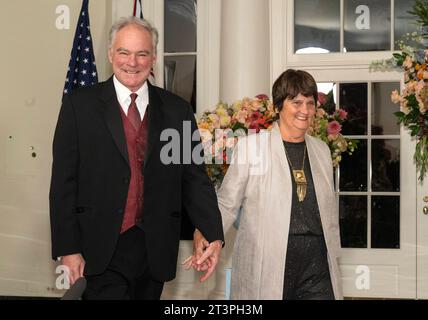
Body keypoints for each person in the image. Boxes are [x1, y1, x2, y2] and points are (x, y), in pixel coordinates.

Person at [49, 17, 224, 300]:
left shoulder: (177, 111)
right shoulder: (79, 106)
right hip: (98, 249)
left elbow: (193, 178)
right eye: (124, 52)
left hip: (154, 250)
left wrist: (213, 232)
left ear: (153, 57)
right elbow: (63, 184)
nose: (133, 62)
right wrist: (68, 249)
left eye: (142, 53)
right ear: (110, 54)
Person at [190, 69, 343, 300]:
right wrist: (207, 230)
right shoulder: (251, 148)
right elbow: (227, 203)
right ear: (278, 106)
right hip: (269, 262)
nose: (305, 110)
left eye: (310, 103)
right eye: (297, 102)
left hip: (318, 264)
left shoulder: (321, 150)